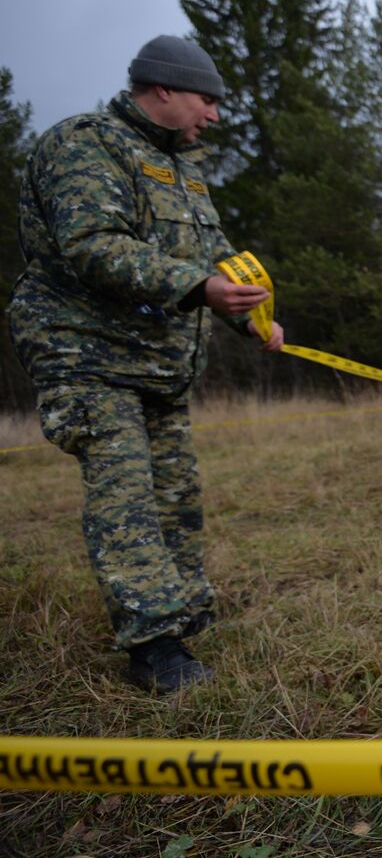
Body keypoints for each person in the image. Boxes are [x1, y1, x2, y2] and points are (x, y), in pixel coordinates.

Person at [6, 35, 285, 693]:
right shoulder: (83, 144)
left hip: (158, 362)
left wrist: (250, 317)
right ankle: (154, 648)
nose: (213, 116)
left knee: (175, 493)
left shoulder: (184, 164)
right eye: (205, 100)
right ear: (161, 89)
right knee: (126, 497)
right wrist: (198, 287)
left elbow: (215, 256)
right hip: (86, 355)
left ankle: (183, 617)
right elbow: (93, 246)